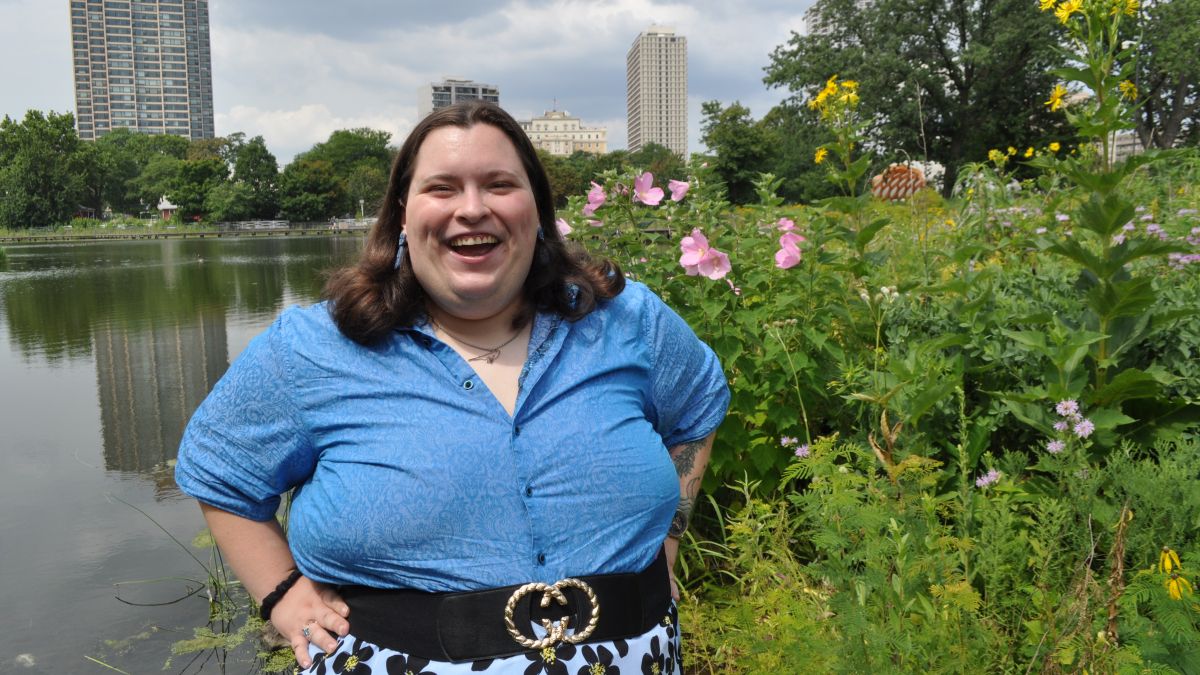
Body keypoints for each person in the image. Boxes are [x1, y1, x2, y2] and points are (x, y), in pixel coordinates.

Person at [175, 101, 729, 674]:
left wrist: (668, 538)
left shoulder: (625, 320)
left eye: (499, 184)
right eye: (442, 188)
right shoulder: (315, 347)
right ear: (402, 214)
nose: (472, 209)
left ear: (537, 209)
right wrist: (281, 593)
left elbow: (696, 410)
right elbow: (220, 472)